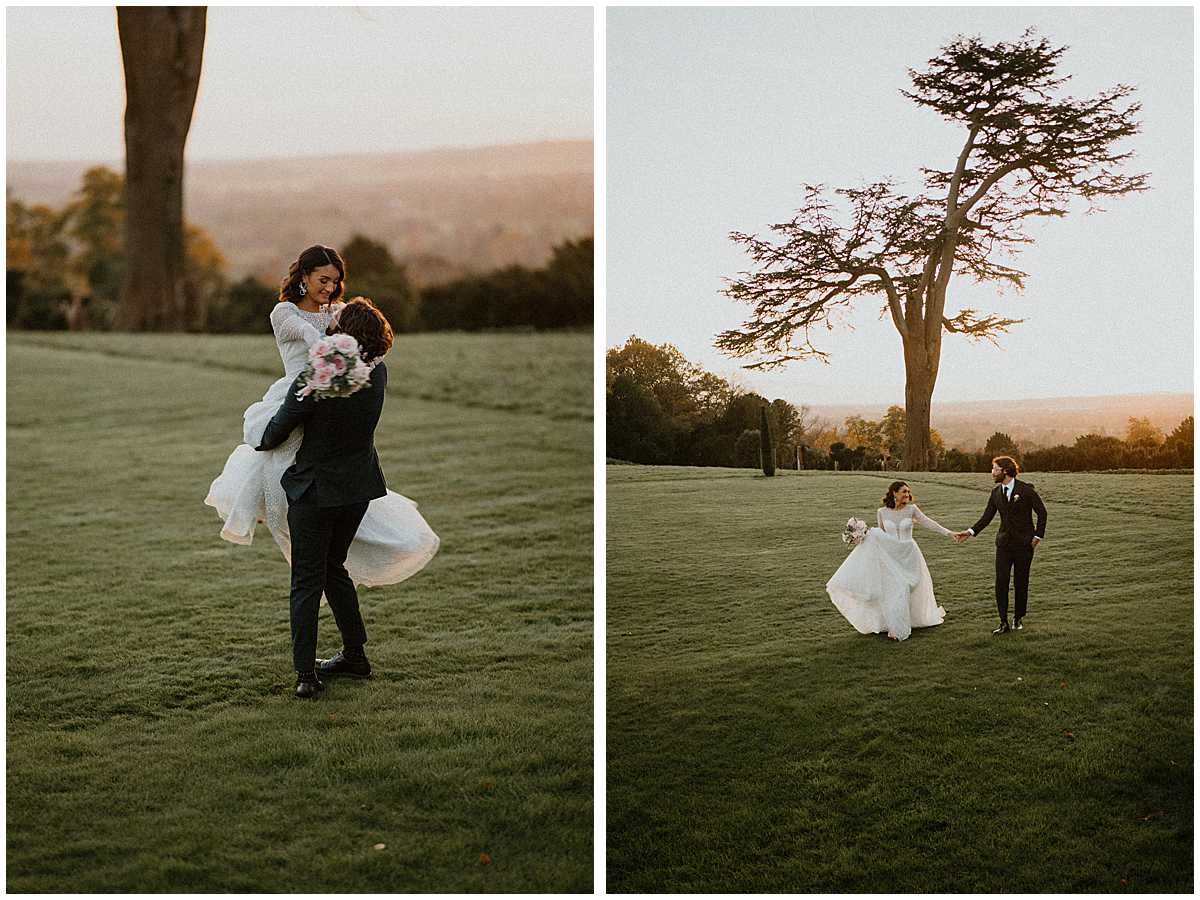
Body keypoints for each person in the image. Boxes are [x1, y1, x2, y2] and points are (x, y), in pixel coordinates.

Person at [204, 246, 439, 588]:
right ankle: (275, 513)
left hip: (330, 396)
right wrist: (328, 343)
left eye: (335, 281)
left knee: (324, 464)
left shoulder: (339, 310)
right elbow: (306, 336)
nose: (329, 288)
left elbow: (364, 340)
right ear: (303, 277)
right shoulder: (284, 312)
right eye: (322, 280)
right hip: (299, 392)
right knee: (276, 455)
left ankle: (330, 541)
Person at [255, 297, 396, 697]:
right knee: (334, 568)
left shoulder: (316, 379)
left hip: (316, 491)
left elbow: (277, 431)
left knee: (306, 580)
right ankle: (355, 657)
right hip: (358, 488)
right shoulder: (378, 373)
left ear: (343, 335)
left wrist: (258, 439)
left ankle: (305, 676)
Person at [826, 481, 954, 641]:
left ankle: (908, 620)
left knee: (907, 587)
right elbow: (882, 535)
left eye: (908, 492)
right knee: (895, 589)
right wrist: (862, 537)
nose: (907, 495)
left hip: (909, 554)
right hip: (891, 556)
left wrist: (950, 533)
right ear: (894, 493)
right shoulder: (881, 512)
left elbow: (929, 523)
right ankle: (895, 628)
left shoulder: (912, 510)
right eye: (904, 492)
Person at [953, 456, 1047, 635]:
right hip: (1003, 544)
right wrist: (970, 532)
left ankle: (1018, 616)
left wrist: (1037, 536)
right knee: (1001, 581)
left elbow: (1042, 513)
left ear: (1005, 470)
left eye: (995, 469)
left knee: (1021, 581)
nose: (992, 472)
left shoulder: (1026, 490)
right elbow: (987, 517)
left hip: (1024, 545)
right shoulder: (995, 493)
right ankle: (1003, 621)